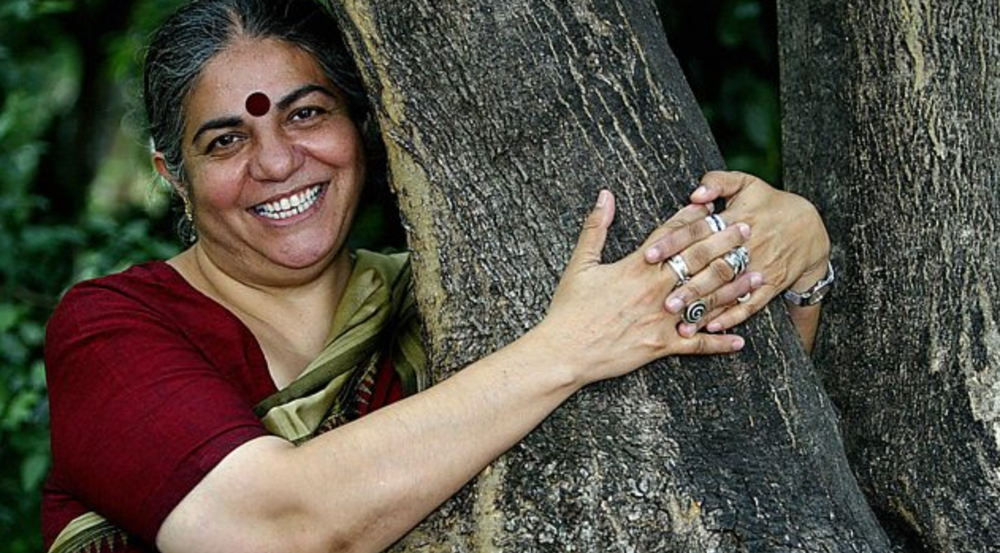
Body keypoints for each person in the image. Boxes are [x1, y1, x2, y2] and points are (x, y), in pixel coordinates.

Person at [41, 0, 832, 552]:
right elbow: (266, 530)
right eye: (224, 141)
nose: (277, 161)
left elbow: (722, 427)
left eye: (306, 113)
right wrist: (569, 346)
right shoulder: (113, 329)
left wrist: (794, 260)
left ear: (363, 125)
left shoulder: (446, 300)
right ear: (172, 175)